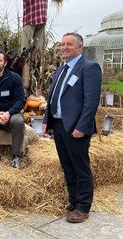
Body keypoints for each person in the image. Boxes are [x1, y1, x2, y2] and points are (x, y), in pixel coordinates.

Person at [42, 32, 102, 223]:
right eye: (62, 44)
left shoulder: (89, 68)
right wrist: (46, 120)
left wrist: (82, 126)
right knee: (67, 166)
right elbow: (52, 97)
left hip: (76, 128)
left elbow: (91, 102)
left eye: (69, 44)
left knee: (80, 167)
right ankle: (74, 199)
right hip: (59, 126)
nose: (64, 47)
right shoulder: (61, 70)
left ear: (79, 47)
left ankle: (83, 207)